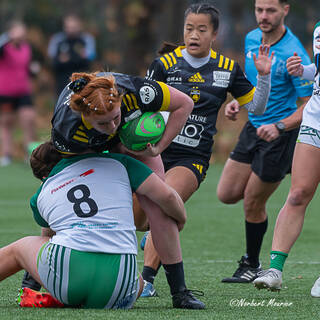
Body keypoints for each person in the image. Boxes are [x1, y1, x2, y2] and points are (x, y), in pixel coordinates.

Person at [21, 70, 205, 309]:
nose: (111, 126)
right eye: (102, 123)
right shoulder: (68, 130)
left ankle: (180, 292)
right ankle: (34, 275)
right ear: (84, 116)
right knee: (67, 207)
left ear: (120, 100)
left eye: (115, 117)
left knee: (158, 207)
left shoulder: (135, 91)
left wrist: (158, 148)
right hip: (86, 152)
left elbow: (184, 104)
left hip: (132, 142)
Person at [139, 2, 274, 297]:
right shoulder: (165, 64)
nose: (194, 34)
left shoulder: (227, 69)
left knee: (165, 206)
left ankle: (146, 279)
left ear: (214, 33)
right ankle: (149, 236)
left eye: (202, 29)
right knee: (141, 219)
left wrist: (264, 76)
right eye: (189, 28)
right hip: (155, 152)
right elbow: (145, 107)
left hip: (192, 158)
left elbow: (258, 108)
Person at [5, 140, 186, 309]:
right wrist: (181, 218)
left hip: (66, 281)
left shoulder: (42, 192)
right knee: (137, 282)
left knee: (21, 248)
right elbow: (168, 196)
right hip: (119, 288)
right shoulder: (122, 162)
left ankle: (34, 287)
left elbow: (48, 235)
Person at [216, 0, 313, 283]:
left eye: (270, 10)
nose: (263, 16)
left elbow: (308, 104)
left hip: (280, 135)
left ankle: (252, 264)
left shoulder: (294, 52)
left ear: (285, 9)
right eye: (259, 9)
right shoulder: (251, 38)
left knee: (251, 201)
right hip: (253, 127)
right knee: (226, 193)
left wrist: (280, 125)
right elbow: (253, 85)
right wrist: (237, 102)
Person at [253, 21, 320, 296]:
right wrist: (304, 71)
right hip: (315, 120)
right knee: (297, 194)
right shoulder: (317, 28)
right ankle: (275, 270)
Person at [0, 20, 37, 166]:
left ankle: (29, 155)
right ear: (11, 32)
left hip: (23, 91)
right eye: (17, 31)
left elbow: (27, 68)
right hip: (6, 92)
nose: (21, 34)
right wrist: (7, 36)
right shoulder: (4, 47)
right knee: (7, 123)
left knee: (28, 120)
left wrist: (33, 71)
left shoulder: (27, 48)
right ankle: (7, 154)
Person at [48, 14, 96, 96]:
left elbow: (90, 59)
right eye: (68, 27)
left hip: (83, 83)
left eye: (73, 27)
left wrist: (67, 60)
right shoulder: (58, 40)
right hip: (62, 84)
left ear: (79, 26)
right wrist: (76, 58)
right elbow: (53, 61)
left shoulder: (87, 39)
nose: (70, 30)